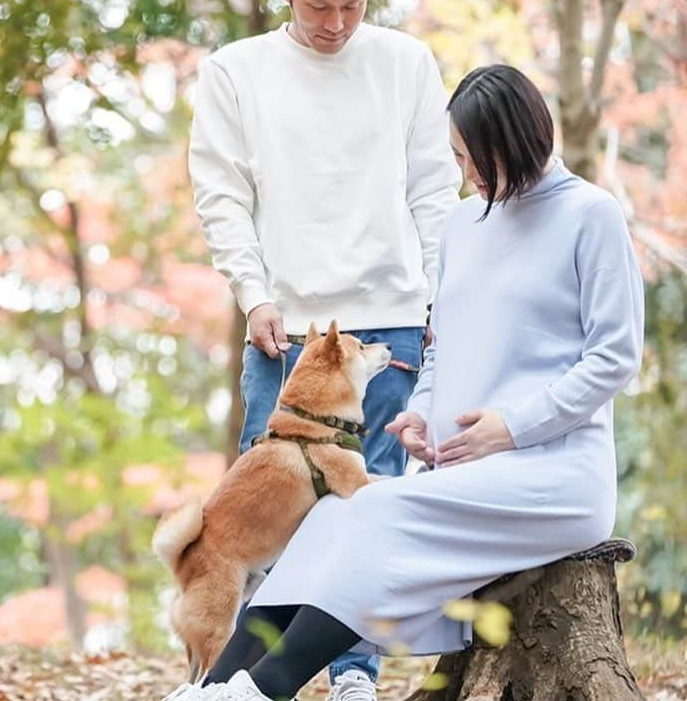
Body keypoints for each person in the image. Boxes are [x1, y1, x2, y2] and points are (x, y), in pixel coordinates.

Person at [176, 64, 644, 701]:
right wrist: (420, 415)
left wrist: (514, 428)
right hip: (461, 472)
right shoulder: (461, 225)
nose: (466, 175)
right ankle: (216, 687)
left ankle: (263, 691)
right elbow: (442, 347)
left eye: (475, 158)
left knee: (375, 512)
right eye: (457, 158)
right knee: (328, 522)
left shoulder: (590, 215)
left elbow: (615, 356)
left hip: (552, 477)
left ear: (519, 140)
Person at [188, 0, 462, 701]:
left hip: (389, 321)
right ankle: (233, 680)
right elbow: (221, 194)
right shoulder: (235, 70)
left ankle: (353, 675)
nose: (336, 23)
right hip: (289, 327)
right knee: (263, 514)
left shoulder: (406, 62)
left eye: (352, 6)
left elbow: (430, 190)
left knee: (370, 504)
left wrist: (441, 294)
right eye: (318, 7)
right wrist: (252, 293)